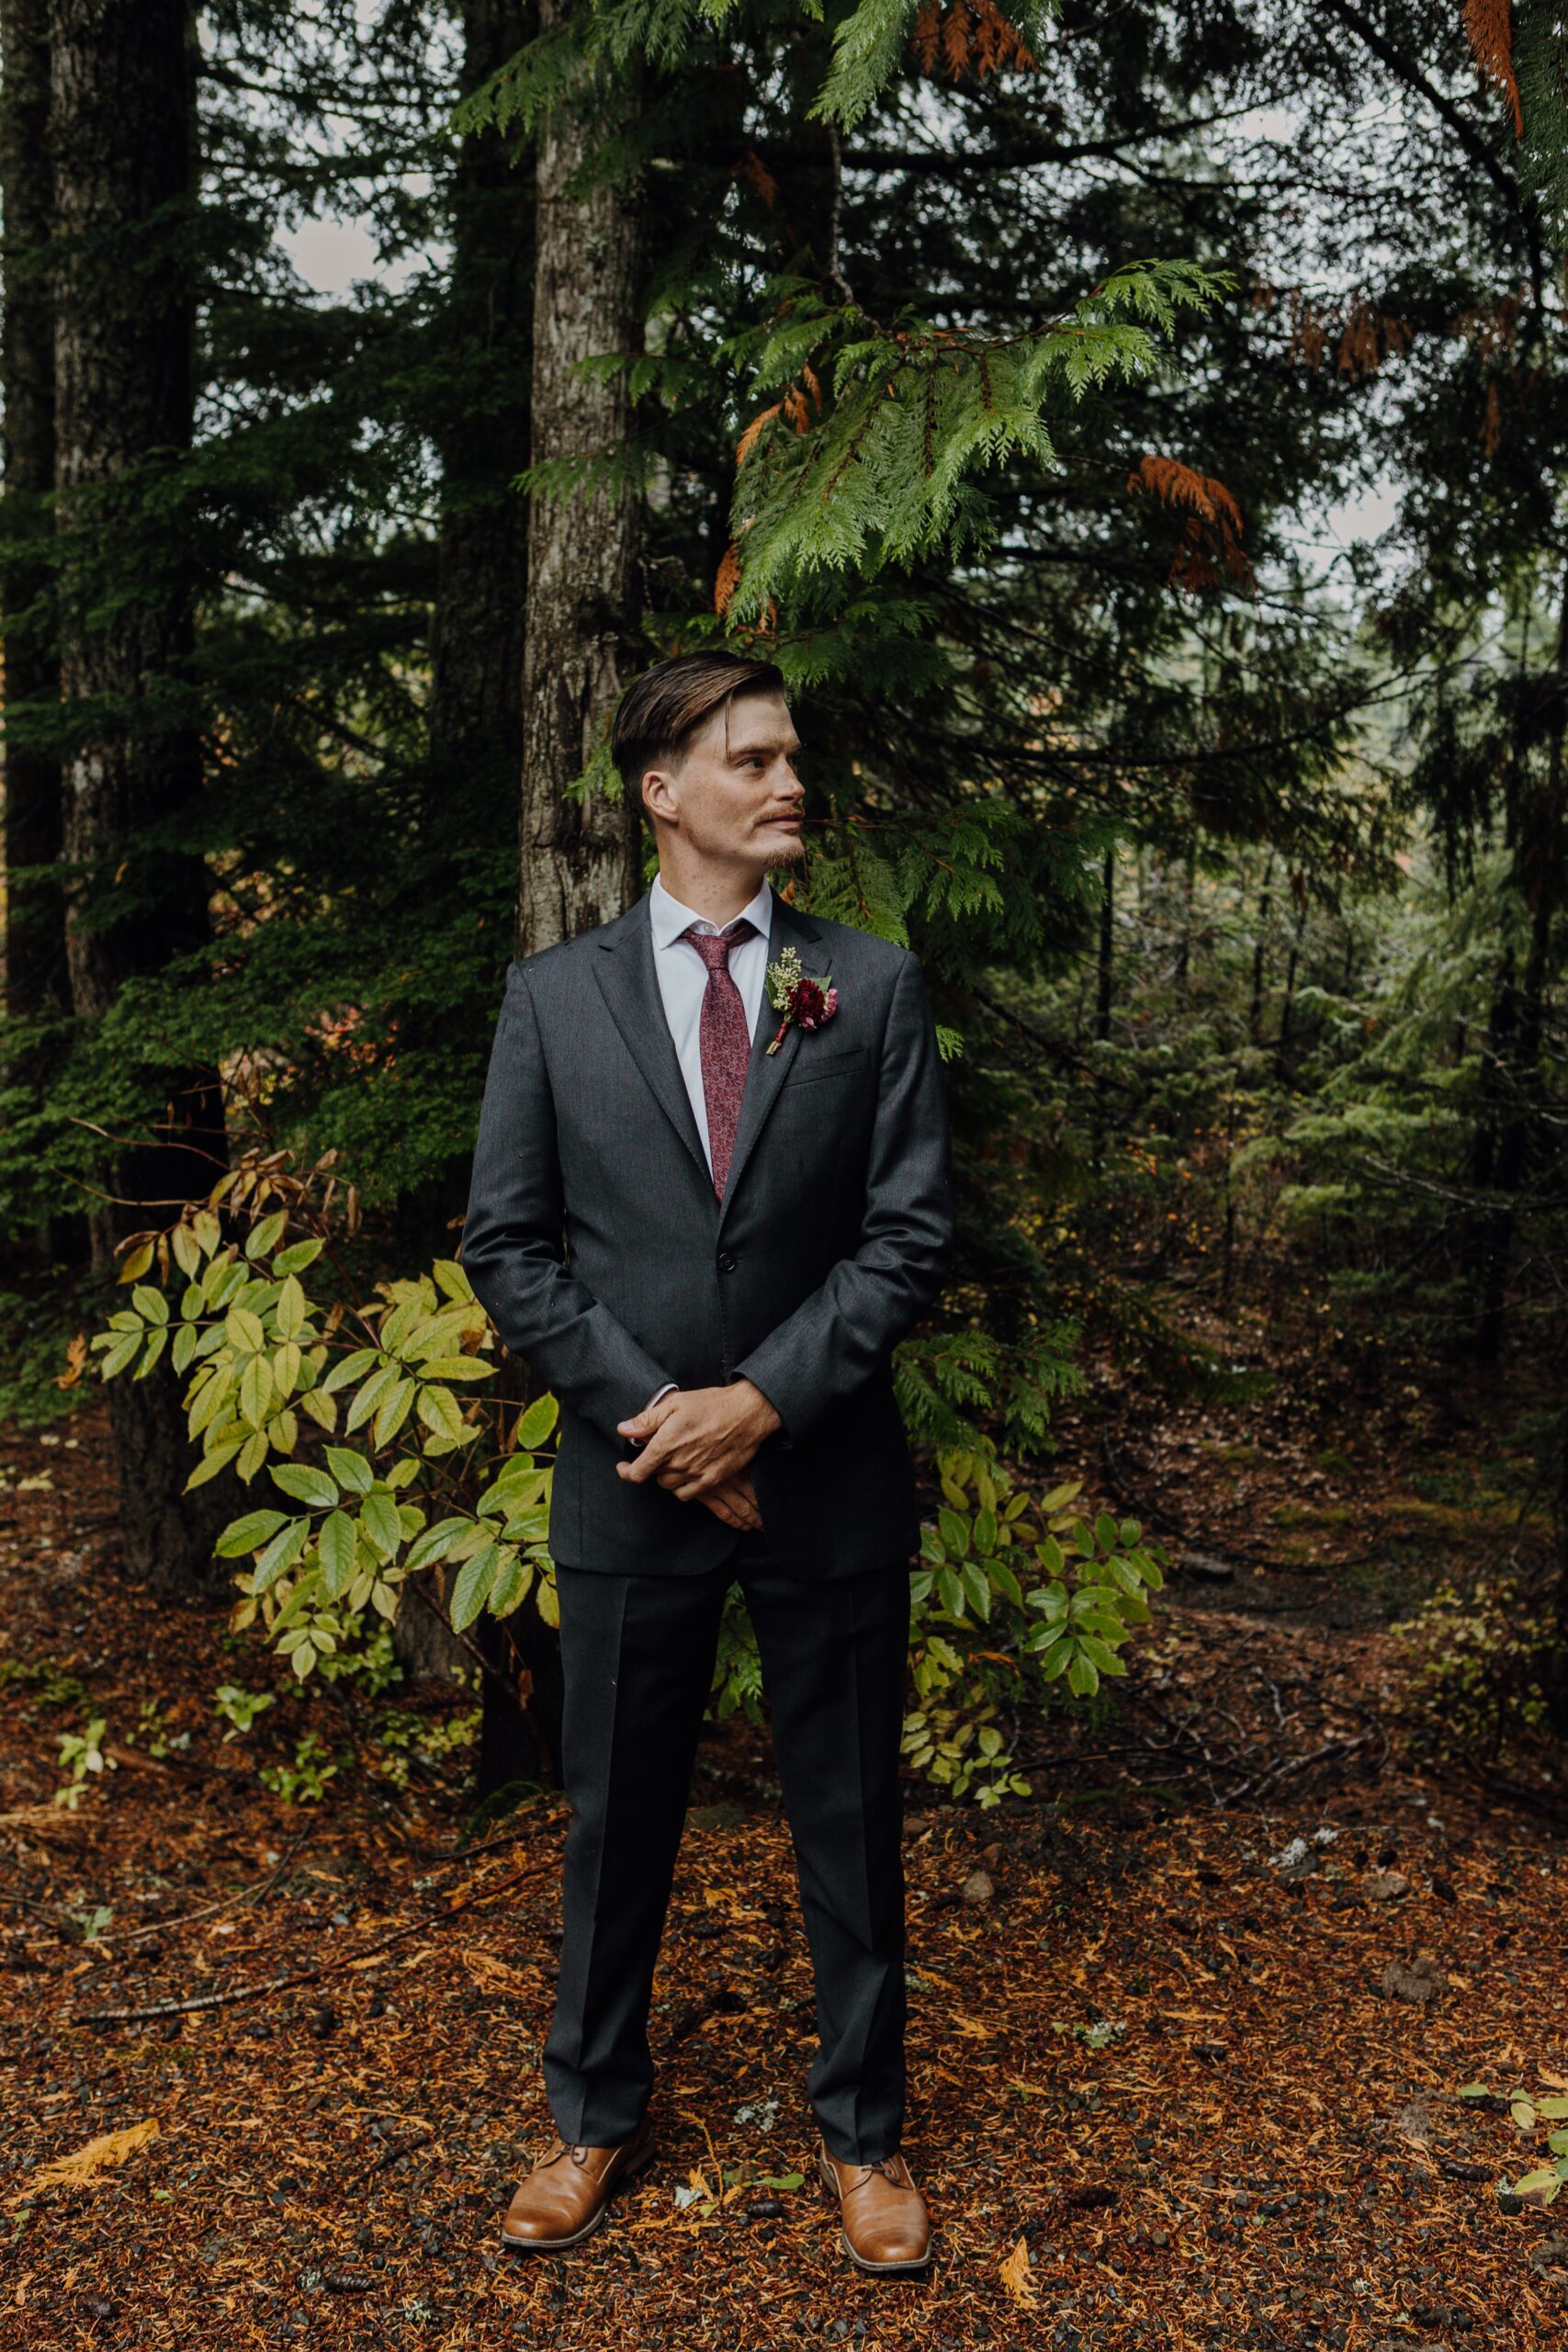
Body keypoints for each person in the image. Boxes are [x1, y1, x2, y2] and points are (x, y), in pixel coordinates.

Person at [460, 649, 955, 2274]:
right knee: (618, 1820)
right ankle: (593, 2117)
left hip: (823, 1475)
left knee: (851, 1815)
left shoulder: (868, 987)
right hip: (628, 1483)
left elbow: (905, 1241)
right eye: (751, 758)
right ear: (663, 791)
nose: (787, 779)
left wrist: (762, 1404)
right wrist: (662, 1424)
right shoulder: (554, 997)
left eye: (793, 754)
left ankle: (866, 2139)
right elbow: (511, 1247)